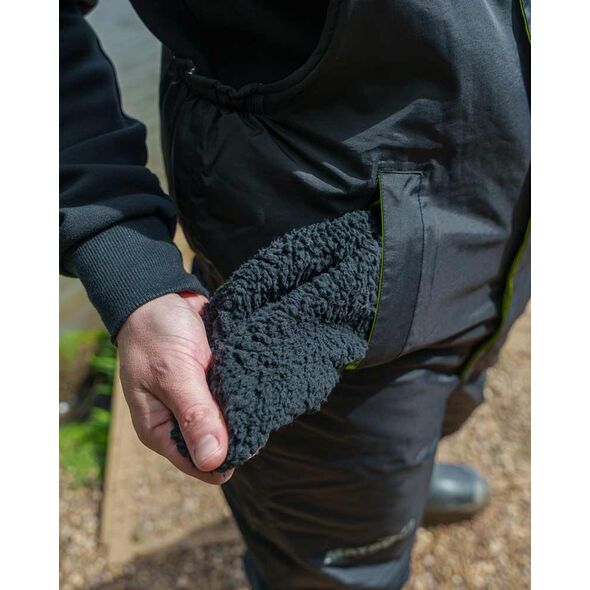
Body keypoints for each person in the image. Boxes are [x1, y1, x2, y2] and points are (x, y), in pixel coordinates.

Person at [59, 0, 531, 587]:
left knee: (447, 409)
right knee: (333, 565)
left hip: (501, 228)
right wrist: (121, 254)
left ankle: (402, 483)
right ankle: (353, 528)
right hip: (302, 278)